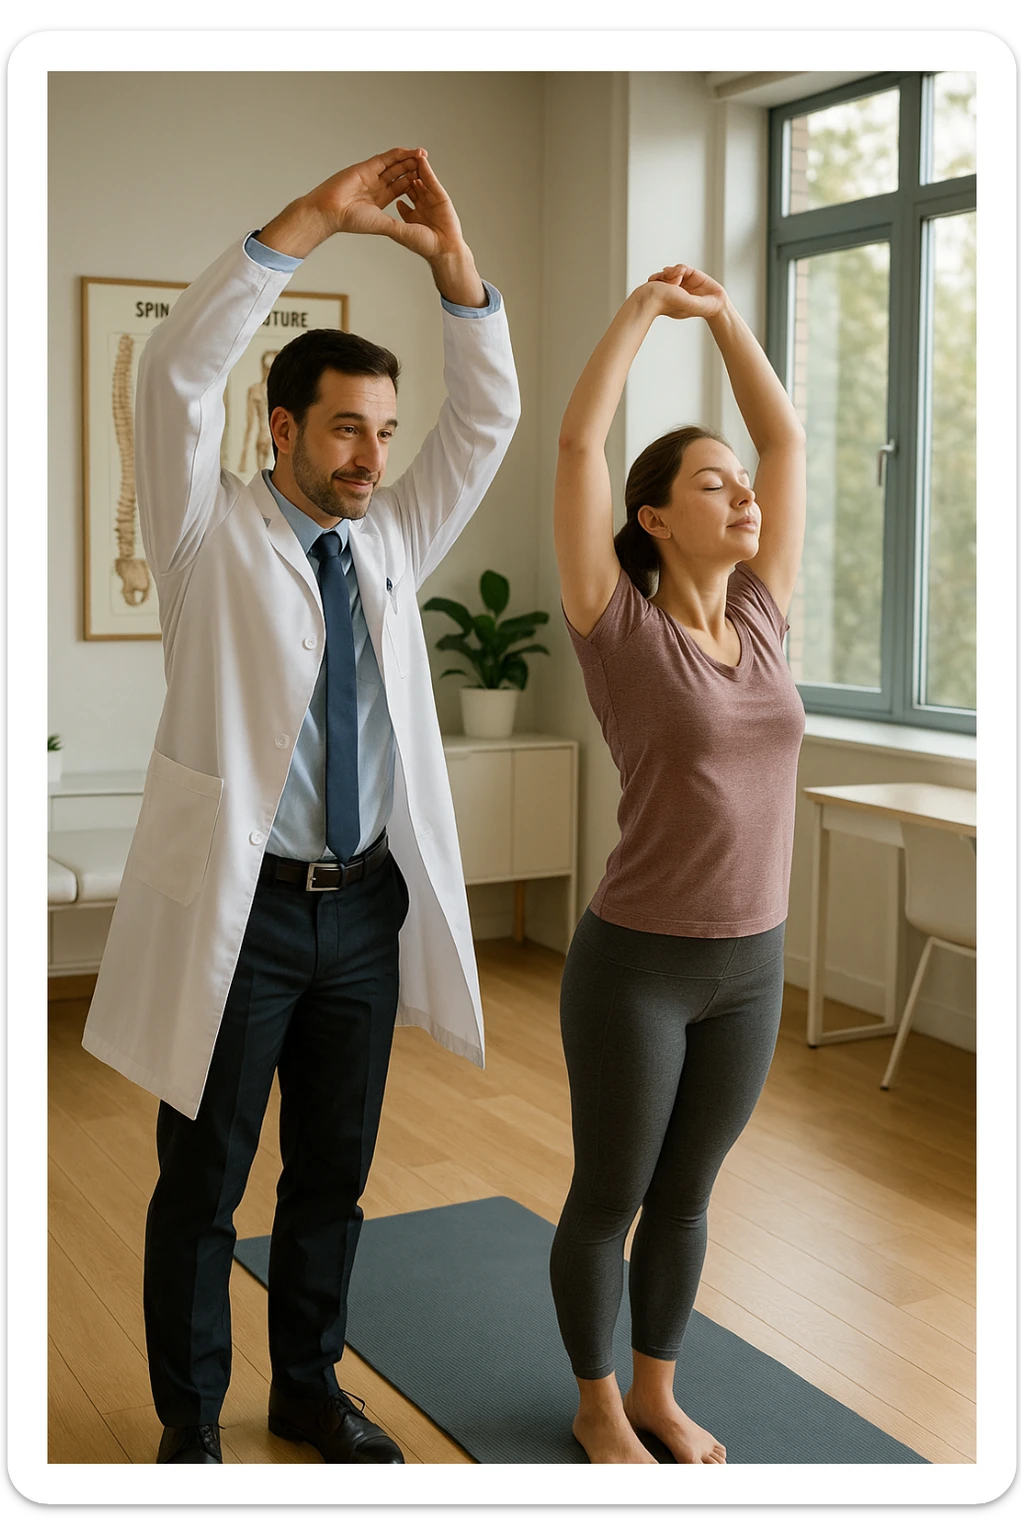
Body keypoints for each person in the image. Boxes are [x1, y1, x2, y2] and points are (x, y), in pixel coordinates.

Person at [82, 147, 520, 1465]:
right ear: (279, 430)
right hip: (249, 917)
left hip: (363, 911)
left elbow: (485, 423)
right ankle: (189, 1427)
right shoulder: (205, 533)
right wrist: (319, 220)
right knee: (206, 1182)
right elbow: (175, 375)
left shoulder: (390, 539)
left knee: (332, 1175)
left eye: (384, 431)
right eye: (345, 429)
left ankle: (309, 1388)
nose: (373, 456)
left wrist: (455, 269)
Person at [549, 263, 806, 1464]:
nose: (744, 493)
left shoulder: (760, 612)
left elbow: (784, 439)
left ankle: (656, 1393)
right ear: (652, 516)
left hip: (751, 964)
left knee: (689, 1195)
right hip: (638, 966)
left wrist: (727, 320)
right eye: (712, 483)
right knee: (611, 1194)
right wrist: (646, 312)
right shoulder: (617, 623)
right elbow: (577, 445)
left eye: (740, 483)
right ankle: (596, 1404)